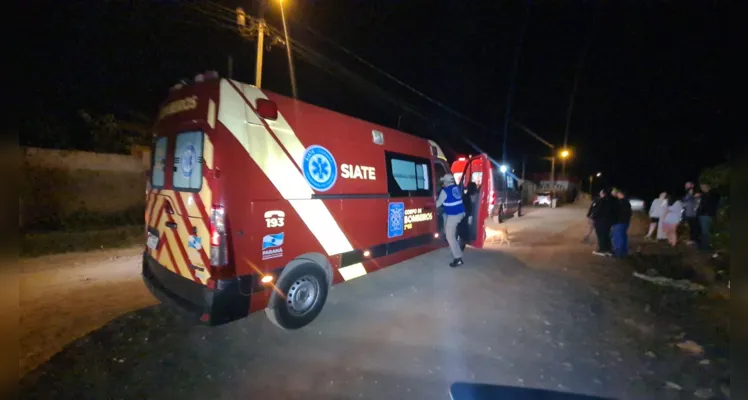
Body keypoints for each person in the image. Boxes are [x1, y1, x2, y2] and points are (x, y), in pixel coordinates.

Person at [437, 174, 466, 267]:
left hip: (454, 215)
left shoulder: (445, 191)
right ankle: (454, 245)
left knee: (450, 236)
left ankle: (458, 259)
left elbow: (437, 204)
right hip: (460, 212)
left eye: (444, 182)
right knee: (448, 230)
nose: (443, 183)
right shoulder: (456, 188)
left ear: (446, 182)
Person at [591, 188, 617, 256]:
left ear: (603, 193)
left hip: (601, 221)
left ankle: (602, 249)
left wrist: (593, 217)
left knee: (601, 235)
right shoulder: (613, 200)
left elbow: (597, 210)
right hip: (609, 221)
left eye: (601, 193)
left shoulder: (602, 200)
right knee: (606, 235)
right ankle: (608, 249)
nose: (600, 194)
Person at [697, 183, 720, 251]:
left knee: (706, 232)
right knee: (705, 232)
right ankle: (705, 247)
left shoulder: (709, 195)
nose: (702, 189)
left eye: (703, 187)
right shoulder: (705, 195)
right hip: (705, 215)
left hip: (706, 215)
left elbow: (706, 205)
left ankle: (704, 246)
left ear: (708, 187)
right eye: (701, 187)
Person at [611, 189, 632, 258]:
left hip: (619, 222)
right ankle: (623, 253)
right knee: (623, 237)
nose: (617, 194)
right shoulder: (626, 202)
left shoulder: (621, 202)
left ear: (621, 194)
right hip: (625, 222)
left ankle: (618, 253)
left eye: (618, 193)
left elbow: (617, 211)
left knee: (618, 237)